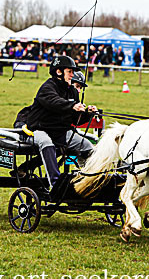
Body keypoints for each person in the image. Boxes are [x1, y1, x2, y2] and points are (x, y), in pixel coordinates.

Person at [26, 55, 97, 186]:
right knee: (46, 143)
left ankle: (89, 180)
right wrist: (72, 106)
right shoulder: (47, 87)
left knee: (87, 145)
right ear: (59, 72)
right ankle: (55, 183)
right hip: (38, 129)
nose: (72, 75)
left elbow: (75, 120)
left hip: (60, 131)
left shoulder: (72, 92)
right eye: (69, 71)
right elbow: (54, 101)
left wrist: (87, 113)